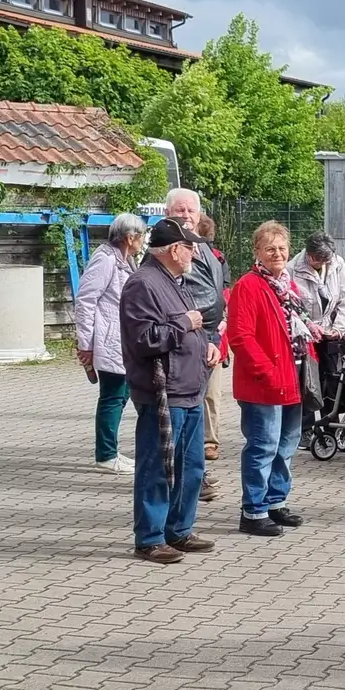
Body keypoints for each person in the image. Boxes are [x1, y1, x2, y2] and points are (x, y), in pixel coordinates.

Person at [119, 218, 221, 565]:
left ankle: (179, 530)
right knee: (157, 467)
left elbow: (197, 324)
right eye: (190, 246)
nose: (194, 251)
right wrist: (184, 324)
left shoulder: (176, 281)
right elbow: (143, 339)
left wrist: (209, 344)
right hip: (162, 392)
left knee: (190, 467)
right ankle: (149, 538)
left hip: (190, 387)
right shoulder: (143, 284)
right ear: (175, 250)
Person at [230, 222, 312, 539]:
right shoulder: (249, 286)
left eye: (281, 248)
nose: (277, 254)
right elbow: (241, 336)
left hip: (292, 378)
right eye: (270, 249)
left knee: (286, 446)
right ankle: (253, 510)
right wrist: (266, 371)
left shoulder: (287, 286)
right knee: (262, 447)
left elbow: (300, 330)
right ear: (257, 252)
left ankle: (275, 501)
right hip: (263, 383)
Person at [75, 213, 147, 474]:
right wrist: (86, 343)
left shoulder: (126, 261)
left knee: (120, 394)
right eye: (141, 236)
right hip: (108, 340)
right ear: (130, 237)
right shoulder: (105, 259)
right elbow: (85, 300)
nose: (143, 241)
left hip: (122, 340)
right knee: (113, 396)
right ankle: (105, 454)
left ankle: (110, 451)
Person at [163, 189, 228, 474]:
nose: (186, 215)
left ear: (200, 215)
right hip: (180, 345)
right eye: (180, 210)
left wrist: (216, 334)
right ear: (167, 214)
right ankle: (179, 476)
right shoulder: (166, 252)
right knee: (180, 414)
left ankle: (194, 475)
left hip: (209, 340)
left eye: (191, 210)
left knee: (205, 403)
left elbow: (215, 295)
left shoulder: (207, 252)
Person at [288, 231, 345, 441]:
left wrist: (339, 328)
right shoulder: (292, 269)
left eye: (326, 259)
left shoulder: (337, 263)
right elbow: (291, 307)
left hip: (329, 331)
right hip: (305, 335)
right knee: (307, 382)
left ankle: (335, 426)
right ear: (309, 255)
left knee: (333, 380)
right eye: (318, 259)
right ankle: (305, 429)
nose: (321, 263)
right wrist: (308, 328)